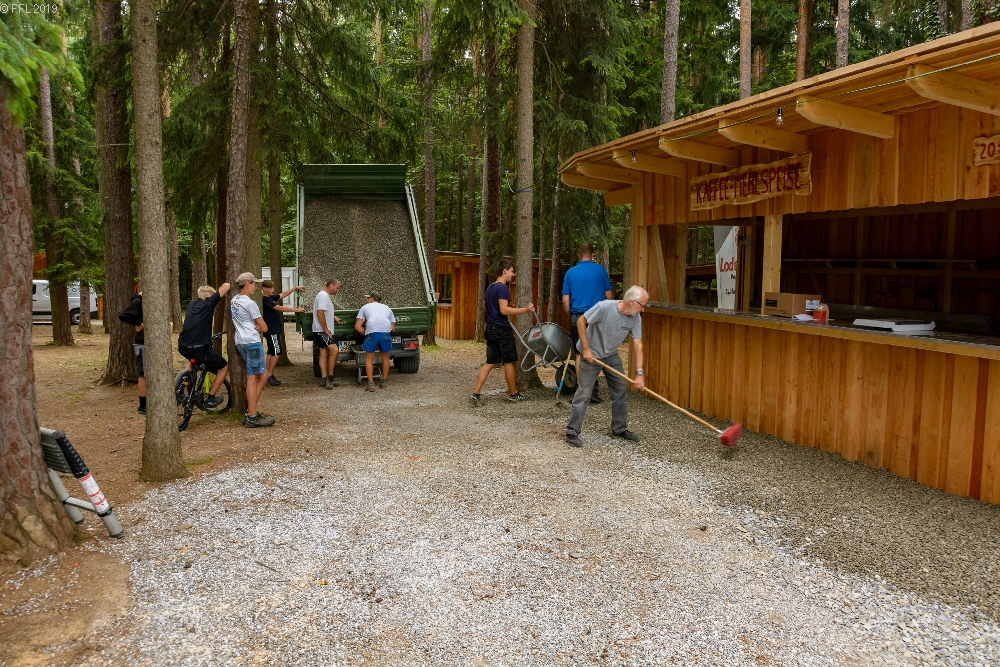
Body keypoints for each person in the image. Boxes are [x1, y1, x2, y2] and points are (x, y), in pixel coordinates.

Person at [565, 285, 647, 449]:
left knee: (620, 388)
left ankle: (619, 429)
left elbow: (638, 345)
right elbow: (581, 321)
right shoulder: (604, 307)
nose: (643, 310)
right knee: (584, 392)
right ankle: (572, 431)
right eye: (642, 305)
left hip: (610, 355)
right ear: (631, 302)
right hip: (591, 354)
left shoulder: (635, 317)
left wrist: (639, 373)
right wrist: (586, 349)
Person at [469, 259, 534, 406]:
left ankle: (476, 393)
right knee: (509, 361)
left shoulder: (490, 288)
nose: (513, 274)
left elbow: (484, 305)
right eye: (511, 271)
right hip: (501, 330)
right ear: (505, 271)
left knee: (490, 362)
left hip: (490, 328)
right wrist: (525, 310)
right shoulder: (503, 288)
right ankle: (513, 395)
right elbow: (504, 310)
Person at [562, 242, 613, 404]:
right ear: (592, 254)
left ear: (579, 255)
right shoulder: (600, 270)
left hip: (577, 316)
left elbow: (565, 301)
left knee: (579, 353)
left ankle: (582, 391)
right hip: (597, 317)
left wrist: (571, 316)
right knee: (595, 351)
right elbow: (609, 296)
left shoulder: (570, 272)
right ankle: (593, 391)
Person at [177, 283, 232, 409]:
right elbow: (225, 287)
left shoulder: (191, 305)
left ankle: (180, 388)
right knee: (224, 367)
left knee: (192, 361)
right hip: (200, 347)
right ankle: (211, 398)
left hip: (183, 346)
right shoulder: (208, 303)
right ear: (210, 295)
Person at [231, 273, 274, 427]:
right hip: (252, 342)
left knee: (263, 374)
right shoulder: (250, 303)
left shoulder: (234, 301)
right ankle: (252, 416)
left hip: (240, 341)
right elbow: (264, 327)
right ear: (248, 283)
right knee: (253, 377)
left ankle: (251, 410)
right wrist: (259, 327)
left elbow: (244, 320)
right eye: (255, 284)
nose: (256, 287)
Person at [261, 280, 305, 386]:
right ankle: (269, 374)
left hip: (274, 329)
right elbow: (279, 308)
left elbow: (283, 294)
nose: (273, 290)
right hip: (271, 330)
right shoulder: (265, 300)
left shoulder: (271, 298)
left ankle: (267, 373)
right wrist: (295, 310)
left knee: (271, 351)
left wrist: (294, 288)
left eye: (273, 287)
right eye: (270, 288)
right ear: (264, 288)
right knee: (277, 352)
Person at [354, 291, 396, 392]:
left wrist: (367, 333)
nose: (367, 300)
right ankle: (384, 382)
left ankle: (371, 384)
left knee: (369, 358)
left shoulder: (365, 307)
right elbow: (393, 328)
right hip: (385, 333)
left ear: (372, 298)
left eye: (368, 298)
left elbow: (357, 326)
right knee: (385, 357)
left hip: (372, 333)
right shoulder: (387, 308)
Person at [117, 289, 146, 415]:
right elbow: (123, 315)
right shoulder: (138, 301)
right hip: (142, 343)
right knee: (143, 375)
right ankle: (142, 406)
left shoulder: (143, 302)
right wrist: (139, 323)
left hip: (147, 343)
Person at [313, 278, 342, 389]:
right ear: (331, 286)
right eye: (337, 288)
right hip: (322, 331)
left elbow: (324, 311)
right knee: (335, 350)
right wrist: (325, 329)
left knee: (324, 353)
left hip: (320, 330)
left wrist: (333, 317)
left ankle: (324, 379)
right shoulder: (323, 296)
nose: (338, 290)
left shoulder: (323, 296)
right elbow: (320, 312)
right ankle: (330, 379)